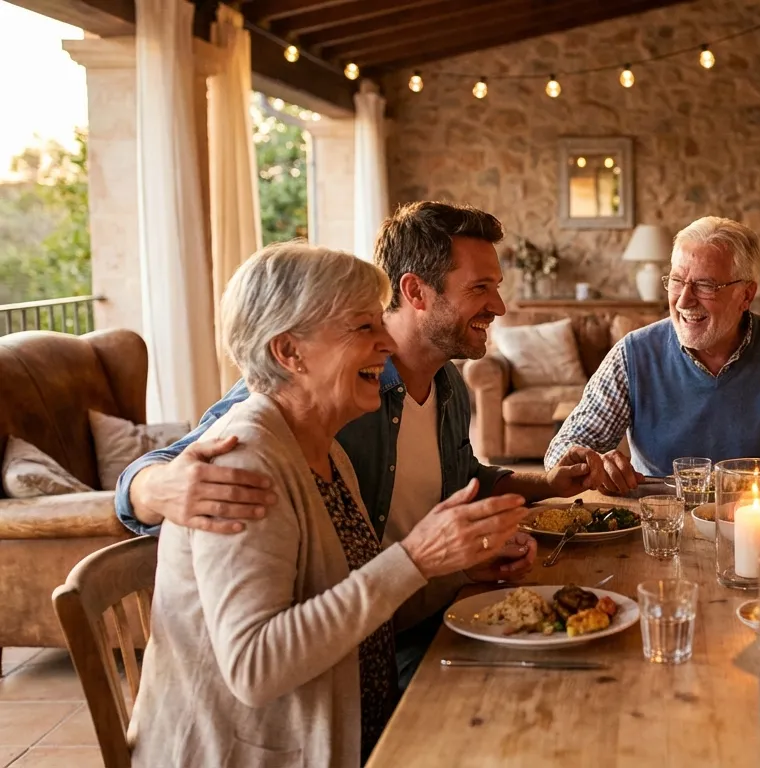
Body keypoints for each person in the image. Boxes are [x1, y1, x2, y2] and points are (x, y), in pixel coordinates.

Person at [114, 201, 601, 686]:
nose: (499, 306)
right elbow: (188, 458)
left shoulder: (446, 386)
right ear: (415, 291)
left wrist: (541, 491)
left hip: (405, 621)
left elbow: (463, 477)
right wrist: (155, 487)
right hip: (355, 659)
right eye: (481, 288)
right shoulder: (303, 402)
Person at [129, 243, 534, 767]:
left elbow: (360, 610)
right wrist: (413, 558)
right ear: (289, 352)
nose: (388, 343)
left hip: (348, 732)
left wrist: (450, 568)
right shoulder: (242, 464)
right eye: (363, 327)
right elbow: (256, 667)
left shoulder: (326, 453)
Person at [544, 216, 760, 493]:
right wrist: (595, 463)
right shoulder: (632, 354)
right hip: (662, 524)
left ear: (746, 294)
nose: (684, 300)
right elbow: (563, 450)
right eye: (676, 281)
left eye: (705, 285)